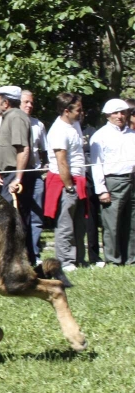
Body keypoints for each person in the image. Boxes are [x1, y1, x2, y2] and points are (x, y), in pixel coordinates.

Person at [0, 85, 36, 264]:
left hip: (15, 177)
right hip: (7, 174)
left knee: (15, 219)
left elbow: (23, 149)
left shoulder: (16, 117)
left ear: (6, 101)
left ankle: (21, 260)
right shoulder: (9, 117)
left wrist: (17, 177)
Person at [44, 93, 87, 272]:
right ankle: (65, 261)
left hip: (79, 178)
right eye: (78, 110)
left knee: (79, 223)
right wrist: (69, 187)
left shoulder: (74, 124)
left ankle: (79, 259)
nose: (81, 112)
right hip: (65, 182)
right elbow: (62, 161)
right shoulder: (58, 130)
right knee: (65, 223)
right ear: (66, 111)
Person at [90, 99, 135, 266]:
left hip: (132, 179)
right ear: (108, 115)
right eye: (116, 113)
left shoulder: (132, 135)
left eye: (123, 112)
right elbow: (96, 165)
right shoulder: (100, 136)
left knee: (131, 222)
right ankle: (113, 259)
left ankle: (131, 258)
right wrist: (102, 189)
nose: (120, 116)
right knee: (112, 224)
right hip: (113, 181)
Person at [20, 90, 49, 264]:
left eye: (31, 102)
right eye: (26, 102)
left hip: (35, 173)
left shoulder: (38, 125)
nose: (29, 105)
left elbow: (44, 150)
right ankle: (20, 254)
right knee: (19, 216)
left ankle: (35, 254)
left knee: (36, 215)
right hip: (16, 175)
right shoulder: (8, 122)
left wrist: (44, 170)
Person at [81, 108, 104, 266]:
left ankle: (96, 256)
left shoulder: (91, 131)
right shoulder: (68, 130)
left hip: (93, 179)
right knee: (83, 222)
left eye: (83, 112)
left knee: (95, 220)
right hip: (78, 180)